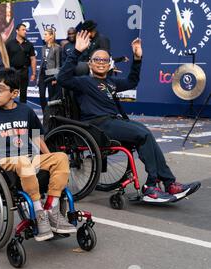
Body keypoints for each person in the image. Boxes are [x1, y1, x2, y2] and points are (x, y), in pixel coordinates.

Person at [58, 31, 201, 203]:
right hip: (97, 126)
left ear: (110, 64)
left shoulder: (111, 83)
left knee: (144, 133)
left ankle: (169, 183)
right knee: (142, 134)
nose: (101, 63)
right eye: (97, 60)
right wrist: (77, 51)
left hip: (113, 122)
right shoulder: (83, 82)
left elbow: (132, 81)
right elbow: (62, 78)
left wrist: (137, 58)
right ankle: (151, 187)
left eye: (105, 60)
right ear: (90, 63)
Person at [0, 69, 75, 242]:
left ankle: (51, 211)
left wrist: (50, 160)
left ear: (14, 93)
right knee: (24, 161)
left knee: (60, 157)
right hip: (1, 162)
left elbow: (37, 137)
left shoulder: (26, 111)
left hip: (28, 158)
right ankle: (39, 214)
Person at [6, 23, 37, 104]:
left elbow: (33, 59)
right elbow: (5, 58)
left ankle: (22, 111)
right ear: (17, 31)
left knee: (23, 93)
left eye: (25, 30)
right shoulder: (9, 43)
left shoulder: (29, 44)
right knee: (10, 92)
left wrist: (33, 73)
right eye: (23, 30)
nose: (25, 32)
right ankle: (9, 109)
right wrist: (6, 71)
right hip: (12, 71)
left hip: (24, 71)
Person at [38, 28, 61, 112]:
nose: (44, 36)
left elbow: (58, 64)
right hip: (42, 73)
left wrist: (55, 77)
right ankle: (45, 113)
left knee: (51, 96)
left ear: (51, 36)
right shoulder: (43, 47)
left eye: (46, 34)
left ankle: (52, 112)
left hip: (51, 74)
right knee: (41, 95)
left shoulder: (57, 48)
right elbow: (41, 62)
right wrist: (38, 75)